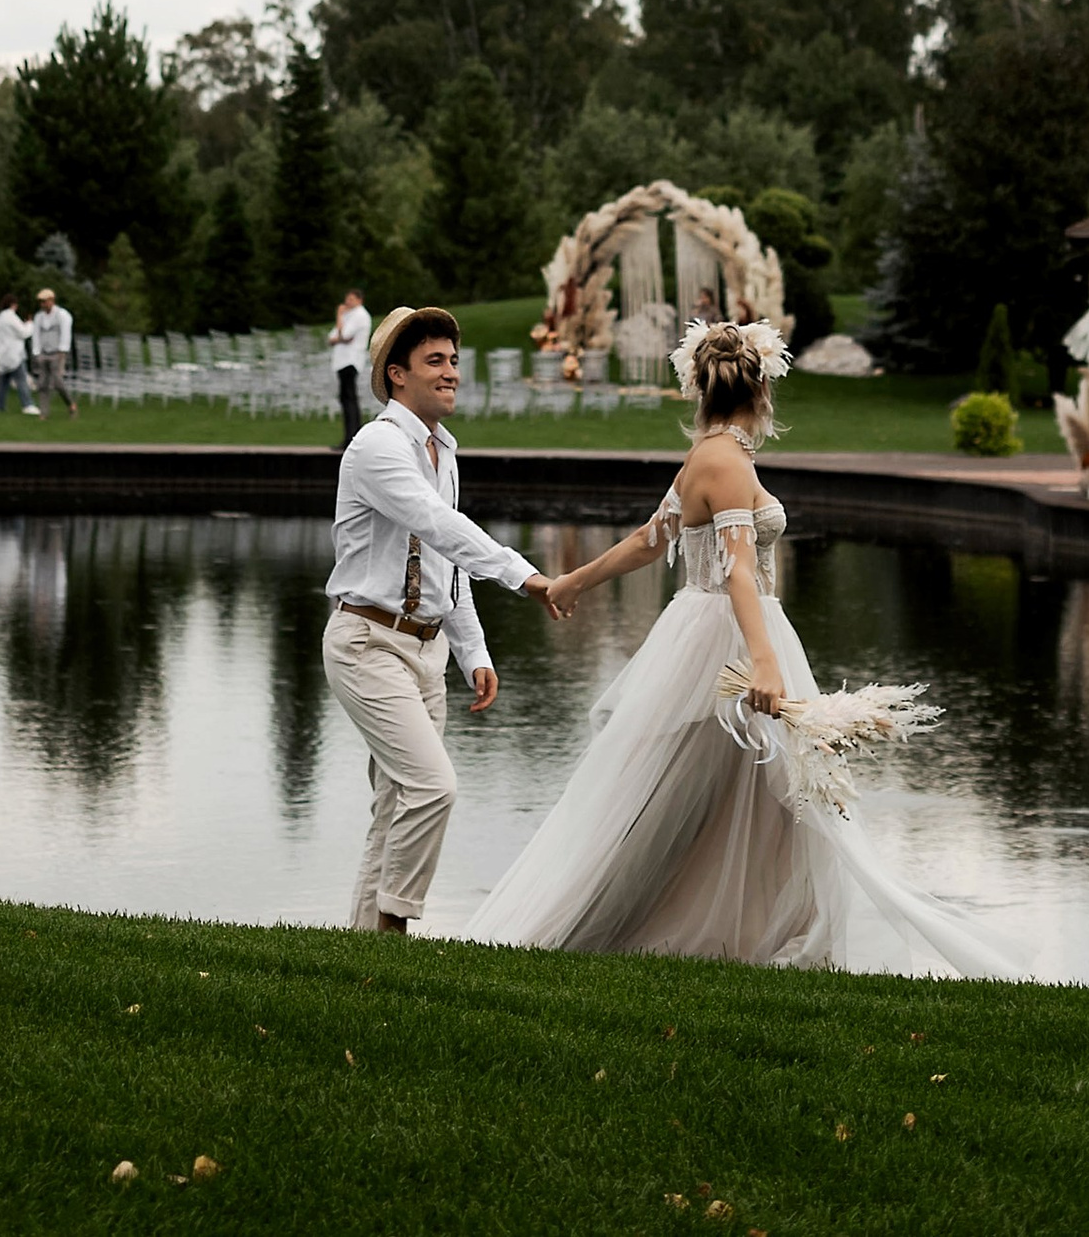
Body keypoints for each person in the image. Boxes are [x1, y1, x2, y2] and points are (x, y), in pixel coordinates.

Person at [471, 319, 1017, 973]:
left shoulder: (712, 454)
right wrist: (762, 661)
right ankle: (613, 923)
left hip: (720, 630)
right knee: (698, 793)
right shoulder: (725, 462)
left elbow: (652, 539)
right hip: (727, 638)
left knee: (764, 795)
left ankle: (757, 931)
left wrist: (572, 581)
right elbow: (735, 568)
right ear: (761, 391)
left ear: (699, 389)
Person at [323, 303, 565, 936]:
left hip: (424, 652)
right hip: (366, 643)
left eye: (455, 361)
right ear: (396, 375)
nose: (451, 372)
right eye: (436, 361)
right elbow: (440, 527)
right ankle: (396, 925)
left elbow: (445, 566)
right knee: (433, 788)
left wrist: (474, 654)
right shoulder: (378, 445)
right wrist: (525, 576)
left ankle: (361, 946)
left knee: (396, 803)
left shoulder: (442, 452)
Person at [29, 281, 78, 418]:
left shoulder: (62, 315)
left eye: (45, 302)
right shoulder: (39, 317)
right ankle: (44, 412)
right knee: (42, 383)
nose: (42, 305)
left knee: (58, 383)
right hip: (44, 353)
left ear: (51, 301)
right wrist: (37, 352)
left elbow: (65, 334)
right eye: (41, 302)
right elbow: (36, 335)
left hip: (57, 353)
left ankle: (71, 404)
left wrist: (62, 351)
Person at [329, 283, 371, 441]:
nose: (347, 302)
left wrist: (339, 315)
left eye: (351, 299)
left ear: (359, 300)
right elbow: (332, 337)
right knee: (345, 398)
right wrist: (339, 337)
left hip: (351, 361)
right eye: (347, 299)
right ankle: (349, 436)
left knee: (349, 399)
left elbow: (344, 334)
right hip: (342, 360)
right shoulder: (350, 315)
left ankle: (352, 436)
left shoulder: (360, 315)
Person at [0, 291, 37, 416]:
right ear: (13, 304)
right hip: (13, 354)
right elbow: (23, 332)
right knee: (21, 380)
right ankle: (27, 404)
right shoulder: (10, 316)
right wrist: (30, 324)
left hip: (2, 354)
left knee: (3, 382)